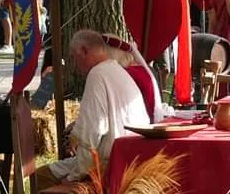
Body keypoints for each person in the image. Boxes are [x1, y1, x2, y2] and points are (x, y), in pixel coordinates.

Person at [35, 29, 148, 185]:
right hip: (129, 157)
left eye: (74, 58)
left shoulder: (98, 74)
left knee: (41, 177)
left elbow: (91, 133)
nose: (74, 65)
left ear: (84, 51)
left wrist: (75, 177)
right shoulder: (116, 70)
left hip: (110, 164)